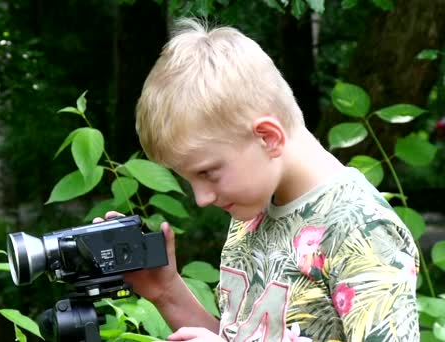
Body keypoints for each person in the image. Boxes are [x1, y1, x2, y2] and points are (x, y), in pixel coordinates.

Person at [96, 18, 419, 341]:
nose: (201, 198)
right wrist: (167, 292)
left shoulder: (362, 229)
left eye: (207, 173)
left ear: (267, 137)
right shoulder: (254, 208)